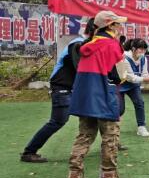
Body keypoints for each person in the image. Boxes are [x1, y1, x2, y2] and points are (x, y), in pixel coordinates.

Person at [64, 11, 131, 178]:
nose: (120, 27)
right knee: (110, 137)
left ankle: (73, 177)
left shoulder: (86, 45)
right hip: (104, 97)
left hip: (85, 98)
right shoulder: (112, 45)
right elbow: (120, 76)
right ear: (110, 26)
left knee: (84, 136)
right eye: (117, 24)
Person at [20, 18, 96, 163]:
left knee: (91, 117)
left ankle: (109, 144)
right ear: (94, 30)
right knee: (58, 121)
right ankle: (29, 152)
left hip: (70, 89)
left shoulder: (83, 44)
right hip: (62, 88)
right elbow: (80, 68)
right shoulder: (77, 44)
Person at [119, 38, 149, 137]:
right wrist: (147, 79)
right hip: (120, 85)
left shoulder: (143, 58)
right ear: (133, 49)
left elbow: (144, 74)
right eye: (141, 49)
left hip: (133, 85)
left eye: (144, 49)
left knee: (140, 103)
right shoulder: (124, 58)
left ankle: (141, 127)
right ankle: (114, 125)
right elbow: (130, 78)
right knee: (120, 109)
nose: (143, 52)